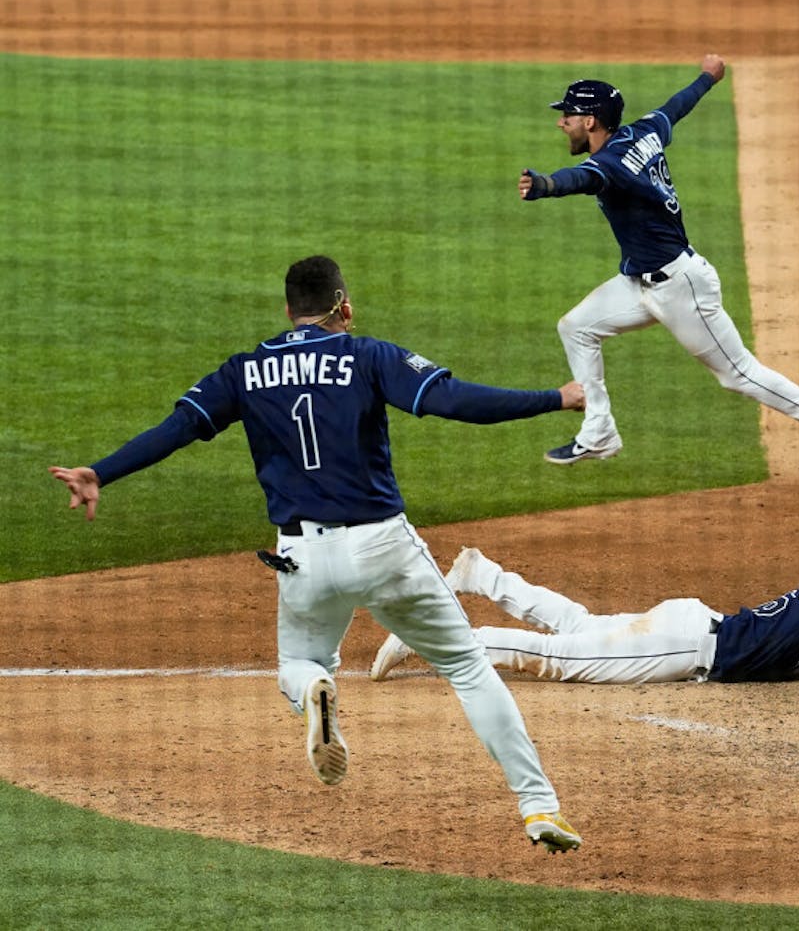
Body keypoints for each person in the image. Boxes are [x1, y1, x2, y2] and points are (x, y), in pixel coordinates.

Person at [49, 256, 586, 853]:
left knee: (299, 663)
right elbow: (454, 401)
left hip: (300, 555)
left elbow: (177, 428)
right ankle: (540, 809)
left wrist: (101, 472)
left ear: (287, 310)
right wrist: (555, 398)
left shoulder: (245, 369)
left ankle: (313, 692)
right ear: (344, 307)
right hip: (384, 547)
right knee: (465, 668)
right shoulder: (367, 355)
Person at [519, 54, 799, 480]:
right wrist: (707, 77)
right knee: (576, 327)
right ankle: (599, 431)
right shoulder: (642, 133)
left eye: (568, 115)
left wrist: (546, 185)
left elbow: (580, 180)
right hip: (640, 283)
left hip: (682, 288)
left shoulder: (607, 165)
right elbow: (674, 108)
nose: (562, 123)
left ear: (590, 122)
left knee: (740, 374)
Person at [369, 528, 799, 684]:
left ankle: (483, 574)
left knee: (583, 628)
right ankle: (435, 638)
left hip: (693, 623)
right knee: (564, 661)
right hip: (692, 647)